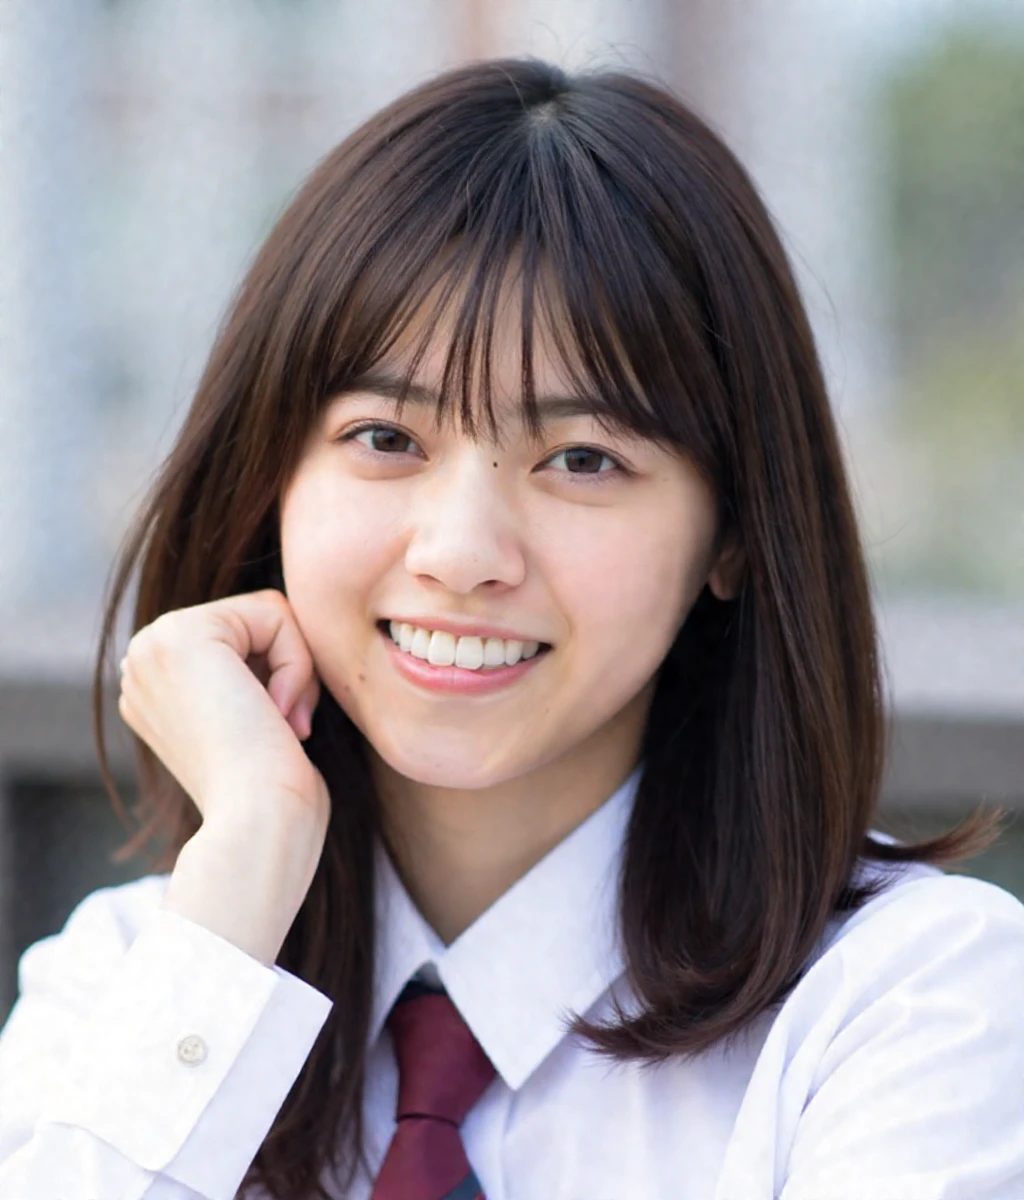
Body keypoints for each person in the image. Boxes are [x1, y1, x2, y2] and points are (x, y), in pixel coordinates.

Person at [0, 56, 1022, 1200]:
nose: (461, 553)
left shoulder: (903, 1007)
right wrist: (251, 849)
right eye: (387, 438)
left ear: (732, 532)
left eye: (581, 460)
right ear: (270, 481)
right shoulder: (139, 980)